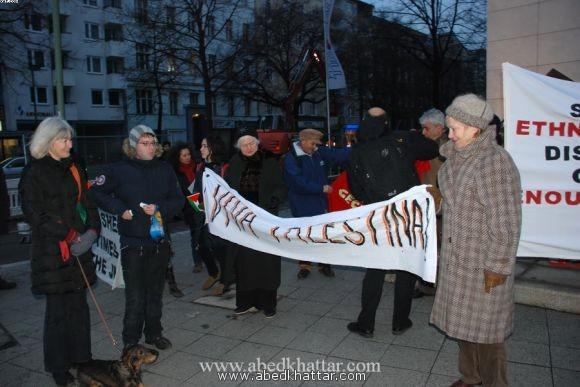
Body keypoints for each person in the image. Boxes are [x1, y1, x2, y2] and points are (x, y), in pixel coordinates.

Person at [430, 94, 521, 387]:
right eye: (449, 127)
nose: (450, 133)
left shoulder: (494, 162)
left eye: (455, 128)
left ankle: (494, 384)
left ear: (475, 128)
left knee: (487, 335)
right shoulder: (457, 156)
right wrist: (438, 202)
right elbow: (459, 202)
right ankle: (471, 378)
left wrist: (498, 266)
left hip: (483, 264)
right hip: (458, 260)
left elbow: (506, 222)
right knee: (463, 328)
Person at [19, 117, 100, 386]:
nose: (69, 144)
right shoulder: (34, 173)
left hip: (80, 249)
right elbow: (36, 215)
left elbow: (88, 203)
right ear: (48, 142)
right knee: (57, 314)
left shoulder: (76, 166)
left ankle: (82, 358)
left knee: (79, 308)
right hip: (53, 252)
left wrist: (91, 231)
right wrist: (69, 234)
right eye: (64, 139)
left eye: (70, 139)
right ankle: (58, 367)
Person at [346, 107, 438, 338]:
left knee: (375, 269)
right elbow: (431, 149)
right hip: (408, 214)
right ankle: (400, 321)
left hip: (379, 216)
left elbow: (355, 188)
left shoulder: (357, 151)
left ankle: (366, 323)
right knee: (406, 267)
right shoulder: (402, 139)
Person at [90, 125, 183, 351]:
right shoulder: (118, 169)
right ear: (133, 146)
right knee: (135, 296)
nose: (150, 147)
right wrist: (120, 209)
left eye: (153, 143)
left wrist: (160, 209)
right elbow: (96, 192)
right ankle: (130, 341)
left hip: (159, 241)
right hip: (133, 243)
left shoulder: (165, 169)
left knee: (155, 293)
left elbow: (179, 200)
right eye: (144, 143)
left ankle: (154, 333)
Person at [224, 128, 286, 318]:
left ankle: (268, 303)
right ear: (239, 147)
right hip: (242, 222)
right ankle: (245, 302)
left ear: (257, 143)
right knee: (244, 263)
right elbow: (226, 190)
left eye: (251, 143)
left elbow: (280, 186)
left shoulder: (270, 162)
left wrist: (275, 198)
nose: (248, 147)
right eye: (244, 144)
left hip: (264, 220)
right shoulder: (233, 164)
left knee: (266, 262)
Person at [283, 128, 349, 279]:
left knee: (322, 233)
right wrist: (320, 188)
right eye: (313, 143)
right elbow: (297, 181)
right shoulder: (291, 158)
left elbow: (338, 154)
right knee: (304, 235)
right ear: (303, 141)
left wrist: (361, 148)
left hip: (320, 201)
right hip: (302, 203)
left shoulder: (318, 151)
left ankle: (324, 264)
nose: (315, 147)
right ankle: (305, 266)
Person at [413, 108, 449, 298]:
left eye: (426, 129)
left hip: (441, 206)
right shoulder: (423, 146)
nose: (423, 132)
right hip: (425, 203)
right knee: (427, 246)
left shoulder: (448, 148)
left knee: (442, 248)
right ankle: (426, 285)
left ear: (439, 128)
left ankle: (441, 287)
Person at [192, 135, 229, 294]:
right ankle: (214, 273)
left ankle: (226, 279)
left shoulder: (223, 167)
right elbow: (195, 192)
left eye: (204, 146)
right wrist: (196, 208)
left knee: (220, 248)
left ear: (213, 148)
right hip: (202, 215)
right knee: (201, 245)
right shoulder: (200, 167)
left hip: (219, 215)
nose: (201, 149)